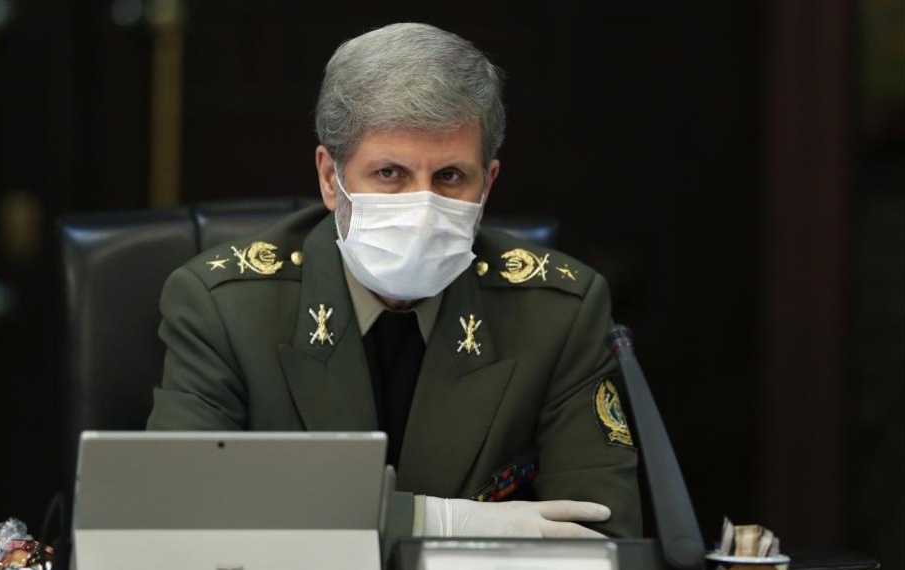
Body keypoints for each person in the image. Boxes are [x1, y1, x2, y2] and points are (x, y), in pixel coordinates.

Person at [147, 22, 641, 541]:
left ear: (488, 184)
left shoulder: (561, 312)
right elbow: (184, 508)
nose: (422, 207)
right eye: (390, 174)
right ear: (330, 178)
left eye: (450, 176)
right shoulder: (223, 308)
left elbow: (603, 534)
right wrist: (435, 523)